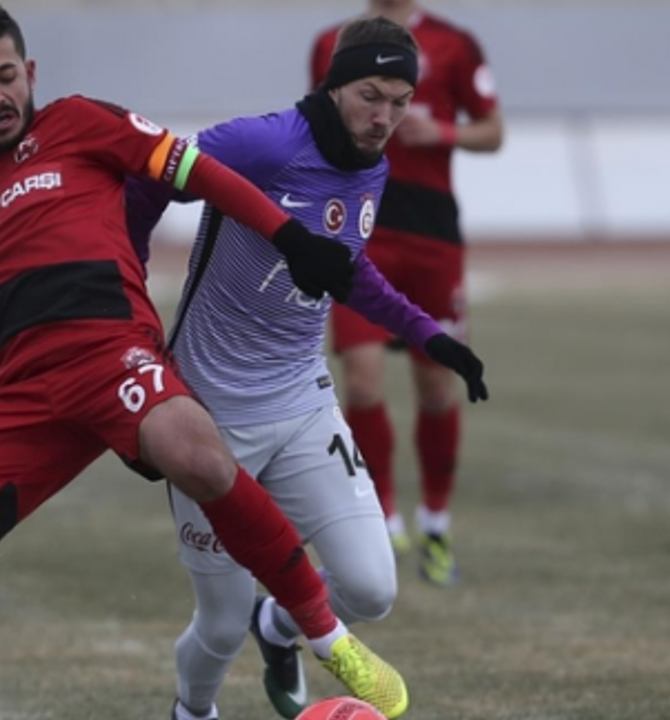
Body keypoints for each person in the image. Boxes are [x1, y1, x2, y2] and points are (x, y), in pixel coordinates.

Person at [0, 5, 407, 719]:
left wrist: (289, 236)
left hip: (111, 352)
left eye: (6, 76)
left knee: (198, 454)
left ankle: (326, 635)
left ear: (29, 73)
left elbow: (201, 172)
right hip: (28, 390)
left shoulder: (80, 121)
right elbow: (27, 262)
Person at [125, 17, 488, 720]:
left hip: (300, 404)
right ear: (335, 84)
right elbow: (146, 182)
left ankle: (278, 624)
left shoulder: (373, 164)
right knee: (219, 626)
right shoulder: (261, 145)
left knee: (372, 589)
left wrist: (429, 336)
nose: (384, 117)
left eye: (399, 102)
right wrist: (127, 288)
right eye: (370, 96)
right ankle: (192, 711)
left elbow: (346, 268)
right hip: (207, 421)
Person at [312, 0, 504, 586]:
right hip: (360, 229)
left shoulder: (454, 43)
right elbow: (315, 126)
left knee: (437, 386)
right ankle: (384, 517)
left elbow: (493, 131)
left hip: (431, 235)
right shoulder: (333, 42)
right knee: (362, 382)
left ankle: (436, 523)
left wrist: (440, 131)